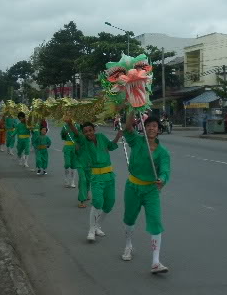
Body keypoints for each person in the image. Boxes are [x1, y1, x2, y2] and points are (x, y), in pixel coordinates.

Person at [121, 112, 171, 274]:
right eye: (148, 125)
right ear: (144, 127)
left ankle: (155, 261)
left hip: (151, 190)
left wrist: (162, 179)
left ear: (158, 130)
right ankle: (128, 245)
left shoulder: (163, 152)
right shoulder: (137, 141)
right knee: (129, 218)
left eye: (154, 126)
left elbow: (165, 170)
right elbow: (128, 128)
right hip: (133, 187)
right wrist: (131, 109)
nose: (151, 128)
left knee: (155, 222)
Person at [64, 117, 122, 242]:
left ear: (94, 130)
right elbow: (76, 134)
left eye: (90, 130)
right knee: (97, 202)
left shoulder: (101, 137)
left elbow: (111, 146)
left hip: (109, 176)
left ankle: (97, 226)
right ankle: (91, 230)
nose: (88, 133)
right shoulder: (84, 141)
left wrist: (118, 136)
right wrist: (70, 123)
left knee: (109, 204)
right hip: (96, 177)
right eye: (86, 131)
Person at [61, 121, 78, 188]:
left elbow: (80, 136)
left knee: (74, 165)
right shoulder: (65, 127)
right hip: (67, 147)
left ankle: (72, 181)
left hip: (75, 147)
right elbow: (62, 136)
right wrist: (65, 133)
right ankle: (66, 179)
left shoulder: (77, 126)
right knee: (67, 164)